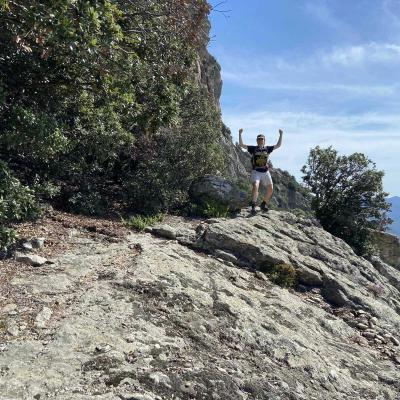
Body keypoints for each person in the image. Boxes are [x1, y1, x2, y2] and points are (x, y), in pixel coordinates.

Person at [238, 128, 283, 214]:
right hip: (256, 172)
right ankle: (253, 206)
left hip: (265, 172)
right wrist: (240, 134)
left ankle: (263, 204)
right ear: (256, 141)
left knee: (270, 189)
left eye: (261, 139)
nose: (260, 140)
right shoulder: (253, 148)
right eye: (259, 139)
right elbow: (241, 145)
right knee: (256, 186)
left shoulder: (267, 149)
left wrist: (281, 135)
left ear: (264, 141)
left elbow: (278, 145)